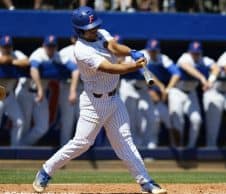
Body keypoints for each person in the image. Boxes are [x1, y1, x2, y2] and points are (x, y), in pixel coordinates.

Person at [32, 6, 167, 194]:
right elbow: (109, 68)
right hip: (94, 103)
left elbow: (114, 47)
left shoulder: (101, 33)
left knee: (125, 142)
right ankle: (46, 170)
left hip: (114, 99)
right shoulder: (81, 50)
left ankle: (146, 182)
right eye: (90, 29)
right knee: (82, 143)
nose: (94, 30)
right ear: (79, 31)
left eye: (95, 26)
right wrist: (134, 65)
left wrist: (131, 51)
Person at [16, 35, 79, 146]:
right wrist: (40, 89)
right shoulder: (39, 53)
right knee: (23, 125)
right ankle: (16, 151)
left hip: (40, 94)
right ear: (43, 45)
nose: (50, 48)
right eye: (48, 46)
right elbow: (33, 69)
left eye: (53, 46)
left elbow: (75, 69)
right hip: (26, 91)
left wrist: (72, 90)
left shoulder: (57, 55)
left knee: (42, 127)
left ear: (56, 47)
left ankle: (21, 147)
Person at [169, 41, 218, 148]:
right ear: (189, 52)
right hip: (177, 91)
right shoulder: (185, 58)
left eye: (197, 53)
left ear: (201, 53)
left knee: (196, 120)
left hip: (191, 93)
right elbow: (187, 67)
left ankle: (190, 148)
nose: (195, 55)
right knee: (177, 119)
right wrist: (202, 78)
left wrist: (211, 80)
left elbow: (216, 68)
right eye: (193, 53)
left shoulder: (204, 60)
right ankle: (177, 147)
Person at [141, 39, 181, 148]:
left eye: (155, 51)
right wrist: (161, 87)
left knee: (162, 120)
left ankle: (172, 146)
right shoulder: (142, 55)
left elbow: (177, 73)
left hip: (155, 96)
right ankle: (141, 148)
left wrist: (167, 89)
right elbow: (146, 74)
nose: (152, 53)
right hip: (138, 91)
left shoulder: (163, 58)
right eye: (151, 51)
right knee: (141, 123)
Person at [0, 35, 29, 146]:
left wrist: (12, 61)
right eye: (4, 47)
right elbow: (3, 59)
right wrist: (11, 61)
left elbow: (27, 62)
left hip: (9, 95)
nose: (6, 49)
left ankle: (15, 148)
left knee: (19, 122)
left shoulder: (16, 54)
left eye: (8, 46)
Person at [58, 35, 82, 146]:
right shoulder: (65, 52)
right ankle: (64, 148)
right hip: (67, 87)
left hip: (84, 88)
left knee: (83, 120)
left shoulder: (90, 50)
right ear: (72, 39)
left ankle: (80, 148)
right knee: (67, 120)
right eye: (76, 38)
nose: (78, 40)